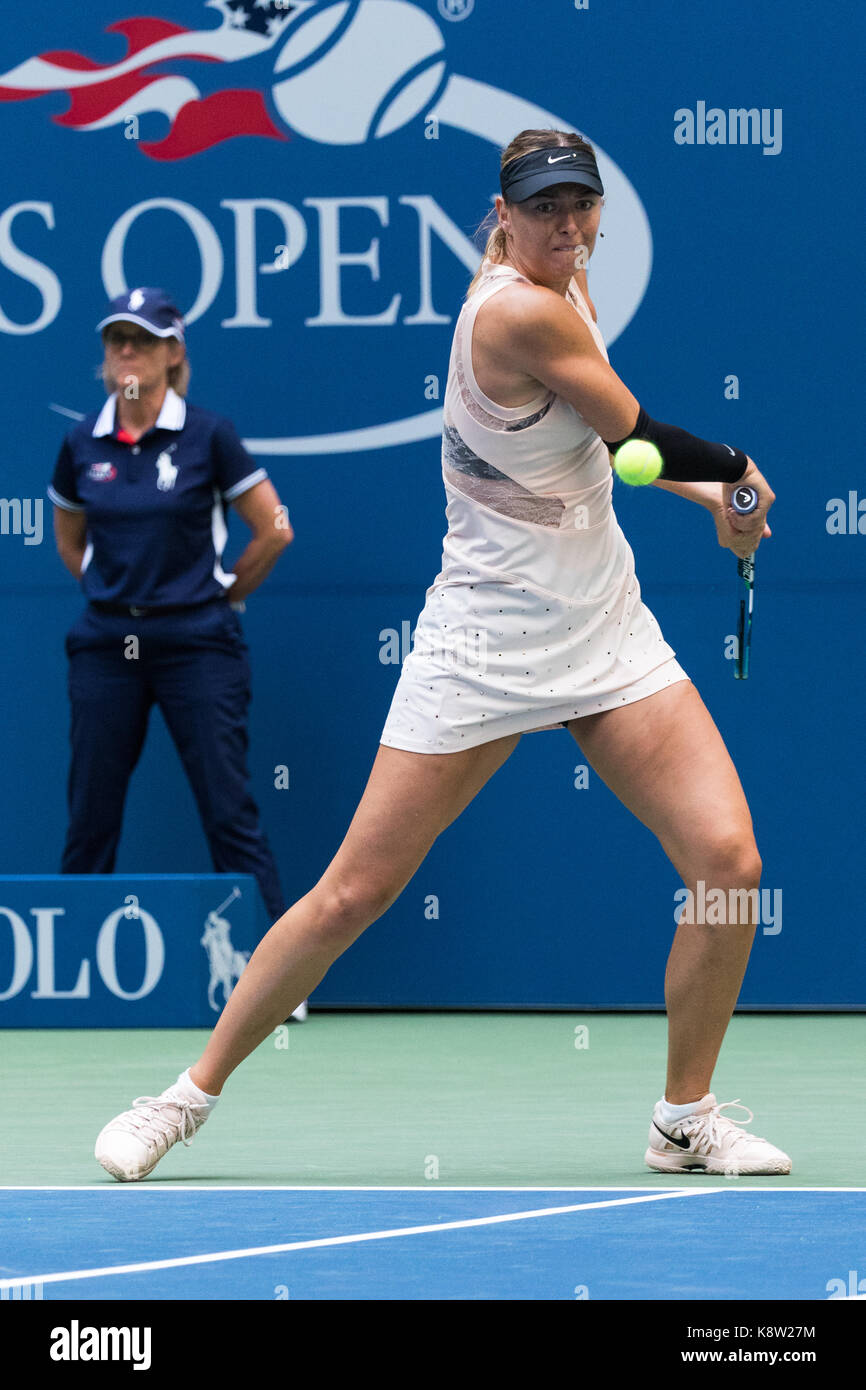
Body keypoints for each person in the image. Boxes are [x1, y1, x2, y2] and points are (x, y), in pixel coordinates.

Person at [93, 134, 789, 1182]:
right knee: (349, 894)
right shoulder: (515, 309)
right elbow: (640, 426)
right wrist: (737, 471)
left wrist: (711, 506)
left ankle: (682, 1116)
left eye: (578, 205)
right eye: (540, 207)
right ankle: (180, 1099)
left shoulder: (569, 287)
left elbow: (615, 452)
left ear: (597, 212)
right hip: (481, 646)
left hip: (604, 629)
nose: (563, 225)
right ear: (501, 215)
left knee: (727, 865)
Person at [50, 287, 306, 1021]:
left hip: (198, 644)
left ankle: (276, 988)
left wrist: (218, 594)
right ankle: (74, 976)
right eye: (116, 341)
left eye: (142, 340)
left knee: (230, 811)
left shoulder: (208, 435)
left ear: (172, 354)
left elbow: (274, 528)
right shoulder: (80, 443)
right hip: (106, 645)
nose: (126, 353)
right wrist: (118, 593)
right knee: (90, 811)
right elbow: (71, 542)